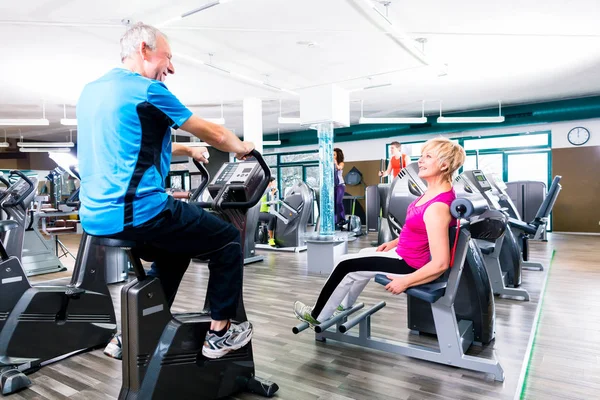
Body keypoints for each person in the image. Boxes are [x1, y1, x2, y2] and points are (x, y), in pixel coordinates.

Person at [76, 22, 255, 360]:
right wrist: (242, 147)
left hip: (97, 219)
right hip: (140, 213)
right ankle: (221, 333)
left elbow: (128, 147)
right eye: (167, 57)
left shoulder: (91, 92)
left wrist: (186, 151)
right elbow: (214, 133)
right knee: (228, 239)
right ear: (144, 50)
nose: (171, 68)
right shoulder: (145, 90)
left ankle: (129, 334)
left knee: (175, 250)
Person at [294, 137, 466, 326]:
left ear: (444, 165)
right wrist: (394, 242)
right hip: (404, 253)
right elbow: (419, 231)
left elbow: (441, 264)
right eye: (422, 155)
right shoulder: (431, 192)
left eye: (428, 156)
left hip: (409, 265)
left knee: (345, 265)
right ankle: (344, 304)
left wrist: (406, 281)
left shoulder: (437, 207)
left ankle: (317, 316)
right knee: (361, 254)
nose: (420, 161)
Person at [259, 177, 278, 246]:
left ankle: (275, 237)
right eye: (274, 182)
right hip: (258, 212)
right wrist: (273, 193)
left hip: (264, 212)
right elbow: (268, 201)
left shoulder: (269, 191)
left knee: (275, 217)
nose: (275, 183)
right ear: (269, 183)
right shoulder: (265, 190)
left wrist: (273, 194)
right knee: (272, 218)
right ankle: (271, 239)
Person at [333, 148, 346, 229]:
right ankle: (334, 221)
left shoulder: (341, 163)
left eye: (334, 155)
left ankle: (342, 219)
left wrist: (335, 163)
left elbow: (339, 168)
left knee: (338, 202)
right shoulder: (330, 164)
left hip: (340, 185)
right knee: (333, 204)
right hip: (333, 186)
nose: (332, 156)